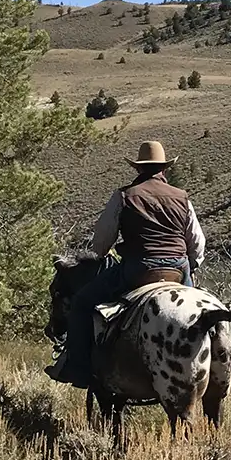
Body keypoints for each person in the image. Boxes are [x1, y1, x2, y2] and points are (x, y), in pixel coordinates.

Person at [47, 140, 207, 388]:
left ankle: (78, 369)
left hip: (138, 269)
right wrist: (192, 265)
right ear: (164, 169)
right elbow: (197, 242)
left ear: (138, 169)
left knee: (80, 303)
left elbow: (101, 241)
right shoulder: (182, 197)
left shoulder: (125, 196)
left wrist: (99, 254)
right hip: (178, 269)